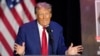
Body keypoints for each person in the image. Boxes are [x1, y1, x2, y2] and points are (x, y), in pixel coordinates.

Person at [14, 2, 83, 56]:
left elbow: (60, 49)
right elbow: (16, 52)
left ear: (50, 15)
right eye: (41, 14)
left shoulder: (57, 28)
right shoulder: (25, 30)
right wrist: (20, 54)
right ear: (36, 15)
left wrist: (67, 52)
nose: (44, 17)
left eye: (47, 14)